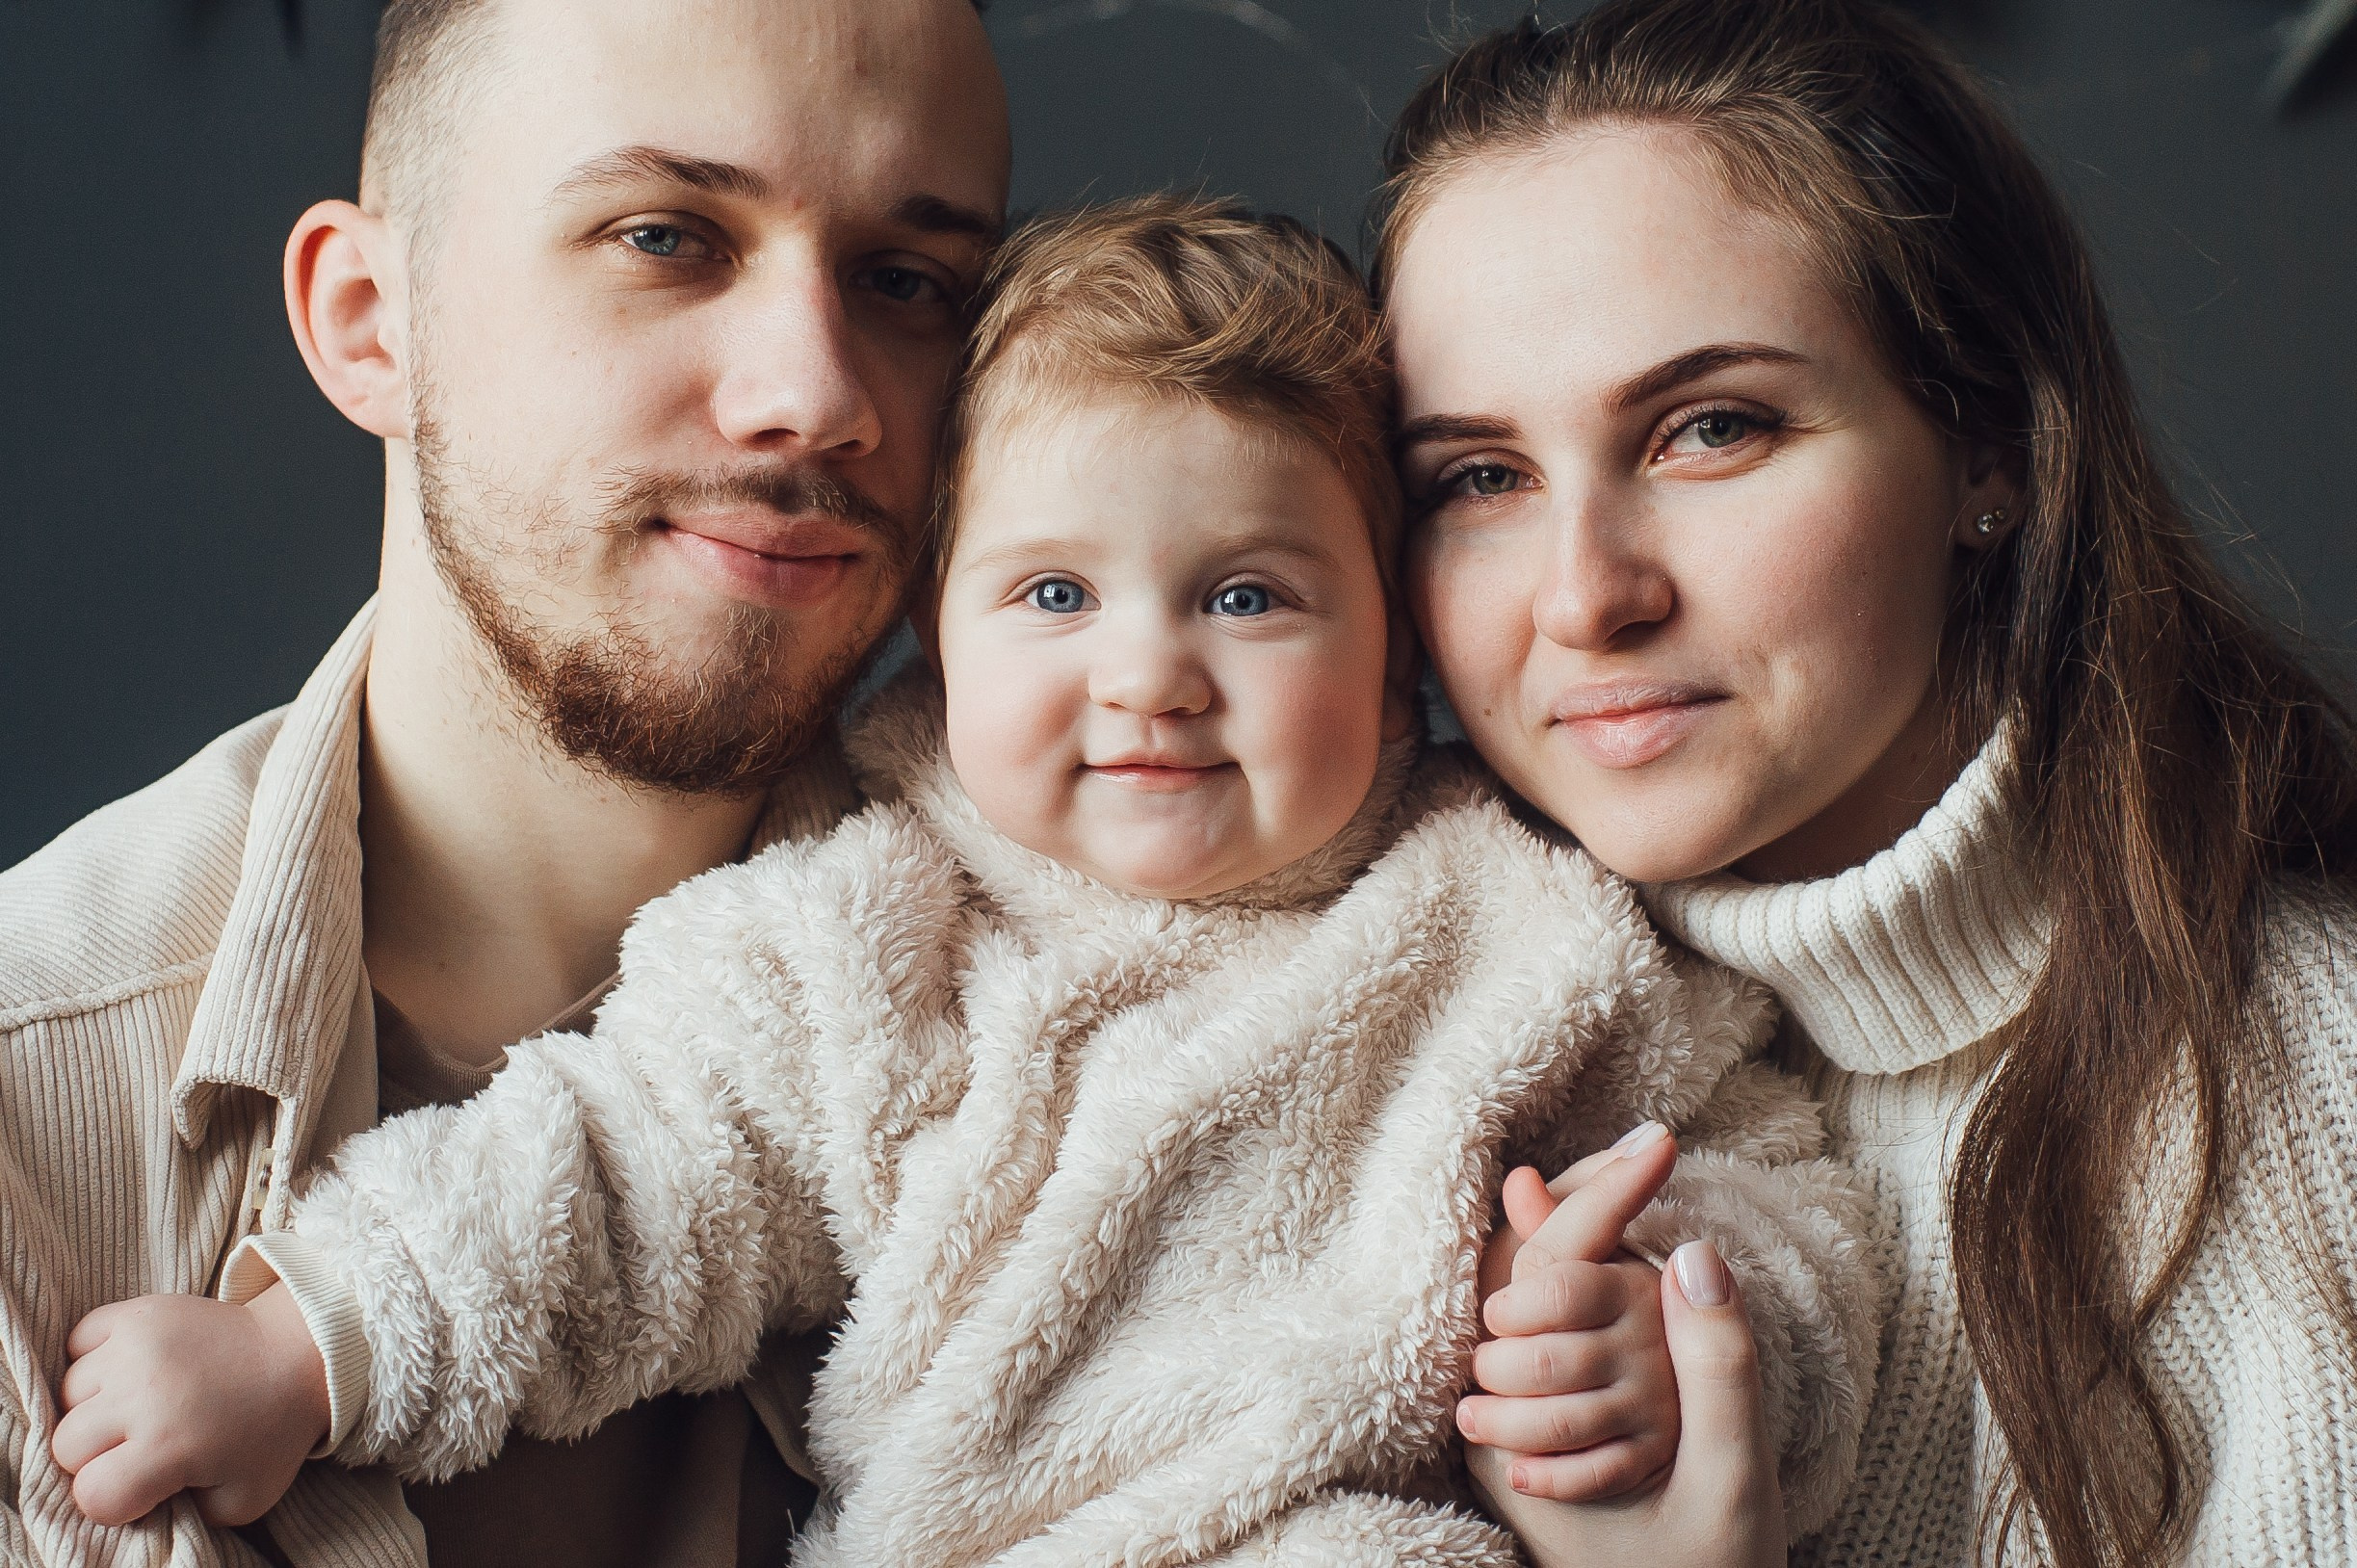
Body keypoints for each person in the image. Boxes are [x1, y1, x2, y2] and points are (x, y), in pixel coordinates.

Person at [53, 197, 1888, 1564]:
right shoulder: (874, 929)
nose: (1149, 674)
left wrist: (1667, 1328)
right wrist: (306, 1351)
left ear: (1395, 637)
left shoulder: (1524, 925)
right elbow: (602, 1178)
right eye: (1054, 595)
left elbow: (1785, 1192)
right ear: (934, 634)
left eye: (1249, 595)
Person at [0, 0, 1009, 1561]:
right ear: (367, 318)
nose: (817, 394)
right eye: (668, 236)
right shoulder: (22, 1127)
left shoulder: (1103, 1024)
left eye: (906, 281)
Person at [1375, 0, 2357, 1564]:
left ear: (1991, 451)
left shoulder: (2316, 1095)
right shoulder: (1393, 1068)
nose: (1583, 596)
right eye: (1480, 479)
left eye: (1710, 428)